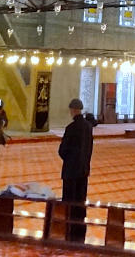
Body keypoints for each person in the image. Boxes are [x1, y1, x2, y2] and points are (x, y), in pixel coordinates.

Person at [58, 98, 94, 242]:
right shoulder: (88, 127)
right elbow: (90, 149)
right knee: (80, 201)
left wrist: (69, 160)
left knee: (69, 201)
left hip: (70, 172)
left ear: (72, 110)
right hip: (83, 171)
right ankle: (80, 231)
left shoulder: (71, 128)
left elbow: (62, 150)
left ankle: (69, 229)